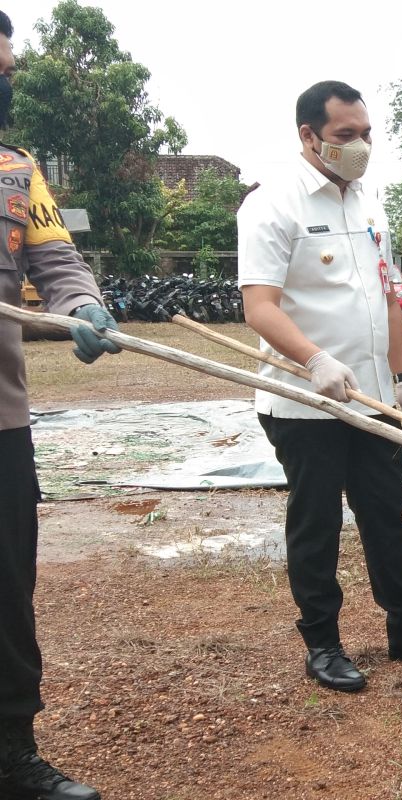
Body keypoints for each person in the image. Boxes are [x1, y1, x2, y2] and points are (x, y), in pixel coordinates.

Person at [239, 81, 402, 694]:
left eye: (366, 133)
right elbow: (260, 308)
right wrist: (315, 360)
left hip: (371, 397)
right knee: (315, 523)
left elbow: (389, 295)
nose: (360, 146)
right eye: (346, 136)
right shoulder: (272, 204)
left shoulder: (369, 203)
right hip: (306, 400)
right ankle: (322, 643)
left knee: (385, 513)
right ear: (308, 136)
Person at [0, 11, 116, 798]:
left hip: (1, 423)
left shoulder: (15, 168)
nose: (4, 81)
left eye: (5, 68)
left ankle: (11, 753)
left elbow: (56, 259)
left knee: (8, 591)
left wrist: (82, 305)